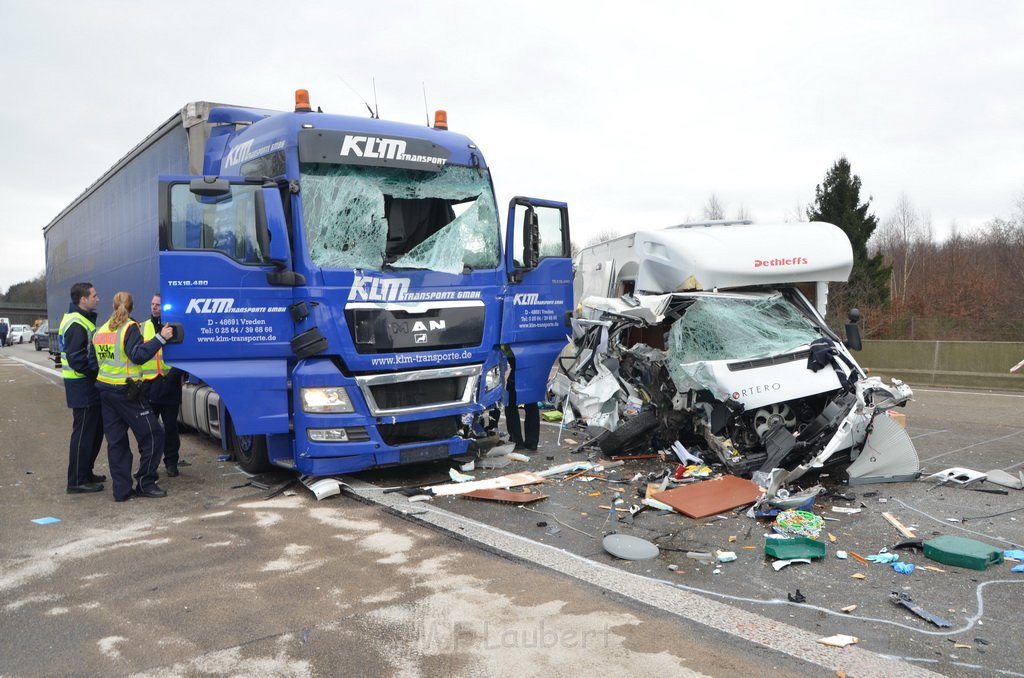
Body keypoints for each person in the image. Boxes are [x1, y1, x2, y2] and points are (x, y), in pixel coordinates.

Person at [93, 291, 174, 502]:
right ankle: (146, 482)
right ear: (132, 306)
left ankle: (121, 491)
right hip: (126, 392)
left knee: (116, 442)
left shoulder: (101, 330)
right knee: (154, 435)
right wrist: (160, 338)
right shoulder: (129, 328)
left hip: (105, 391)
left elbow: (91, 361)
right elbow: (138, 356)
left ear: (113, 305)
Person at [60, 283, 106, 493]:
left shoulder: (83, 320)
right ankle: (76, 481)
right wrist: (98, 375)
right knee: (84, 434)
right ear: (83, 299)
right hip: (82, 385)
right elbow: (78, 360)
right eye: (94, 296)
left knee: (94, 432)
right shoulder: (76, 323)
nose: (98, 299)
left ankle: (86, 472)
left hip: (85, 385)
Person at [141, 293, 188, 477]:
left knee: (170, 428)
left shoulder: (174, 327)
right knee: (149, 430)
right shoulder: (142, 327)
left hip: (169, 385)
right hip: (149, 386)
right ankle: (149, 465)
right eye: (152, 304)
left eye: (158, 305)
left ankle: (171, 463)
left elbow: (181, 357)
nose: (154, 307)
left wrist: (172, 378)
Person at [503, 350, 540, 452]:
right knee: (531, 405)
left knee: (510, 406)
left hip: (517, 369)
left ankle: (517, 441)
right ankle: (532, 442)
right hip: (531, 369)